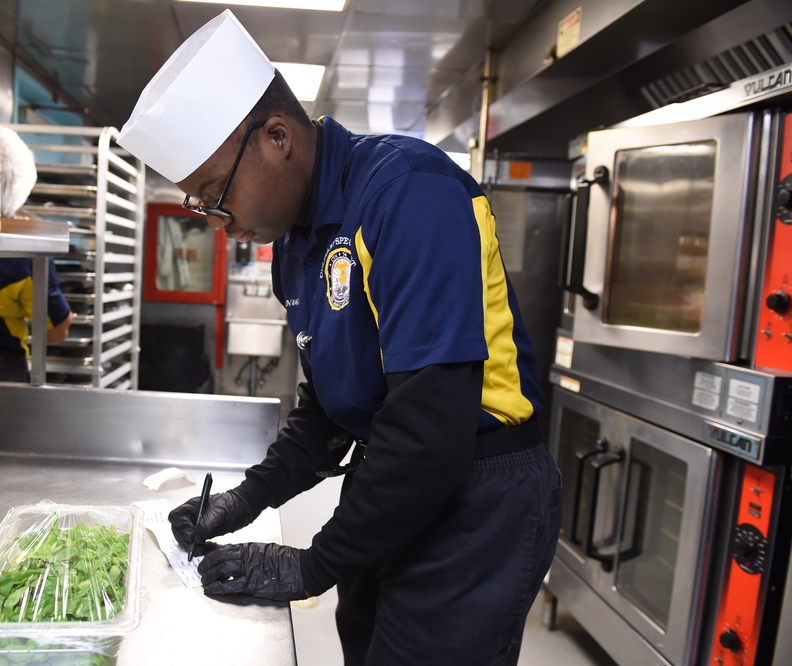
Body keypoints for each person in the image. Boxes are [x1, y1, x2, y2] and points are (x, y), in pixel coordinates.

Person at [119, 10, 562, 665]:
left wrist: (309, 566)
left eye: (216, 195)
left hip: (479, 496)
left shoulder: (407, 192)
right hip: (395, 474)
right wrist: (249, 498)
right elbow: (329, 410)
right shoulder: (297, 245)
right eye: (201, 207)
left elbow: (431, 425)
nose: (218, 223)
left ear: (277, 137)